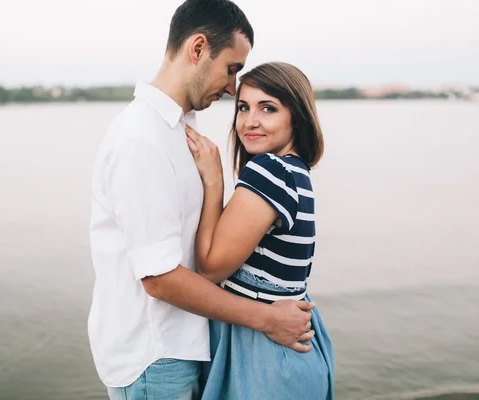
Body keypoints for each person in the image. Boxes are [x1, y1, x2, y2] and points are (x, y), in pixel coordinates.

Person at [88, 0, 317, 398]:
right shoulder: (141, 140)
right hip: (155, 355)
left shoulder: (179, 130)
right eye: (231, 69)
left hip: (187, 341)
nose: (232, 88)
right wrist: (267, 319)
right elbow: (159, 279)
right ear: (197, 49)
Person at [184, 62, 335, 399]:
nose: (250, 121)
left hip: (266, 358)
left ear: (296, 116)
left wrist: (213, 181)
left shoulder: (270, 171)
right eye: (243, 107)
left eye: (268, 108)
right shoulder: (297, 173)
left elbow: (209, 267)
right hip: (289, 353)